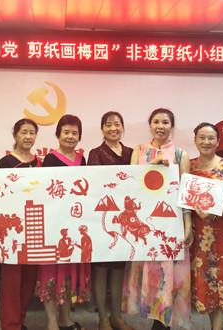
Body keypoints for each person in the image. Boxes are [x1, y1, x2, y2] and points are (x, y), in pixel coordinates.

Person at [122, 108, 192, 330]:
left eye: (165, 122)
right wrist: (152, 166)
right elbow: (130, 183)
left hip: (170, 222)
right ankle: (155, 319)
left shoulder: (180, 155)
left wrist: (188, 225)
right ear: (150, 125)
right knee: (149, 272)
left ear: (172, 126)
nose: (160, 126)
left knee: (168, 273)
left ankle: (163, 322)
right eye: (156, 122)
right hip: (144, 222)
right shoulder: (139, 150)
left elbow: (185, 193)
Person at [36, 114, 90, 330]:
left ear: (79, 137)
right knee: (51, 271)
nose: (70, 136)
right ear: (58, 134)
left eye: (74, 133)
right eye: (66, 132)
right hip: (54, 225)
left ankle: (66, 318)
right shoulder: (50, 159)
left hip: (75, 223)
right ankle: (51, 321)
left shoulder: (82, 160)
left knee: (69, 272)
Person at [189, 122, 223, 330]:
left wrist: (216, 211)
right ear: (195, 140)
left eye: (211, 138)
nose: (206, 142)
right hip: (198, 236)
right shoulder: (189, 167)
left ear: (218, 141)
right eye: (202, 137)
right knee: (205, 282)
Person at [87, 111, 134, 330]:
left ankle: (117, 316)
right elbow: (96, 185)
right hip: (102, 219)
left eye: (117, 124)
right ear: (102, 129)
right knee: (100, 268)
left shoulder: (132, 153)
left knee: (118, 268)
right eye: (108, 124)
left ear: (122, 127)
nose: (113, 128)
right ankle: (103, 318)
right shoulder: (95, 153)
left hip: (124, 220)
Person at [0, 118, 41, 330]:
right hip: (12, 230)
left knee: (29, 280)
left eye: (32, 133)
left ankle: (20, 321)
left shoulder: (40, 163)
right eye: (24, 132)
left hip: (35, 226)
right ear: (15, 135)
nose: (28, 137)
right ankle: (10, 325)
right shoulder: (6, 162)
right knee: (12, 281)